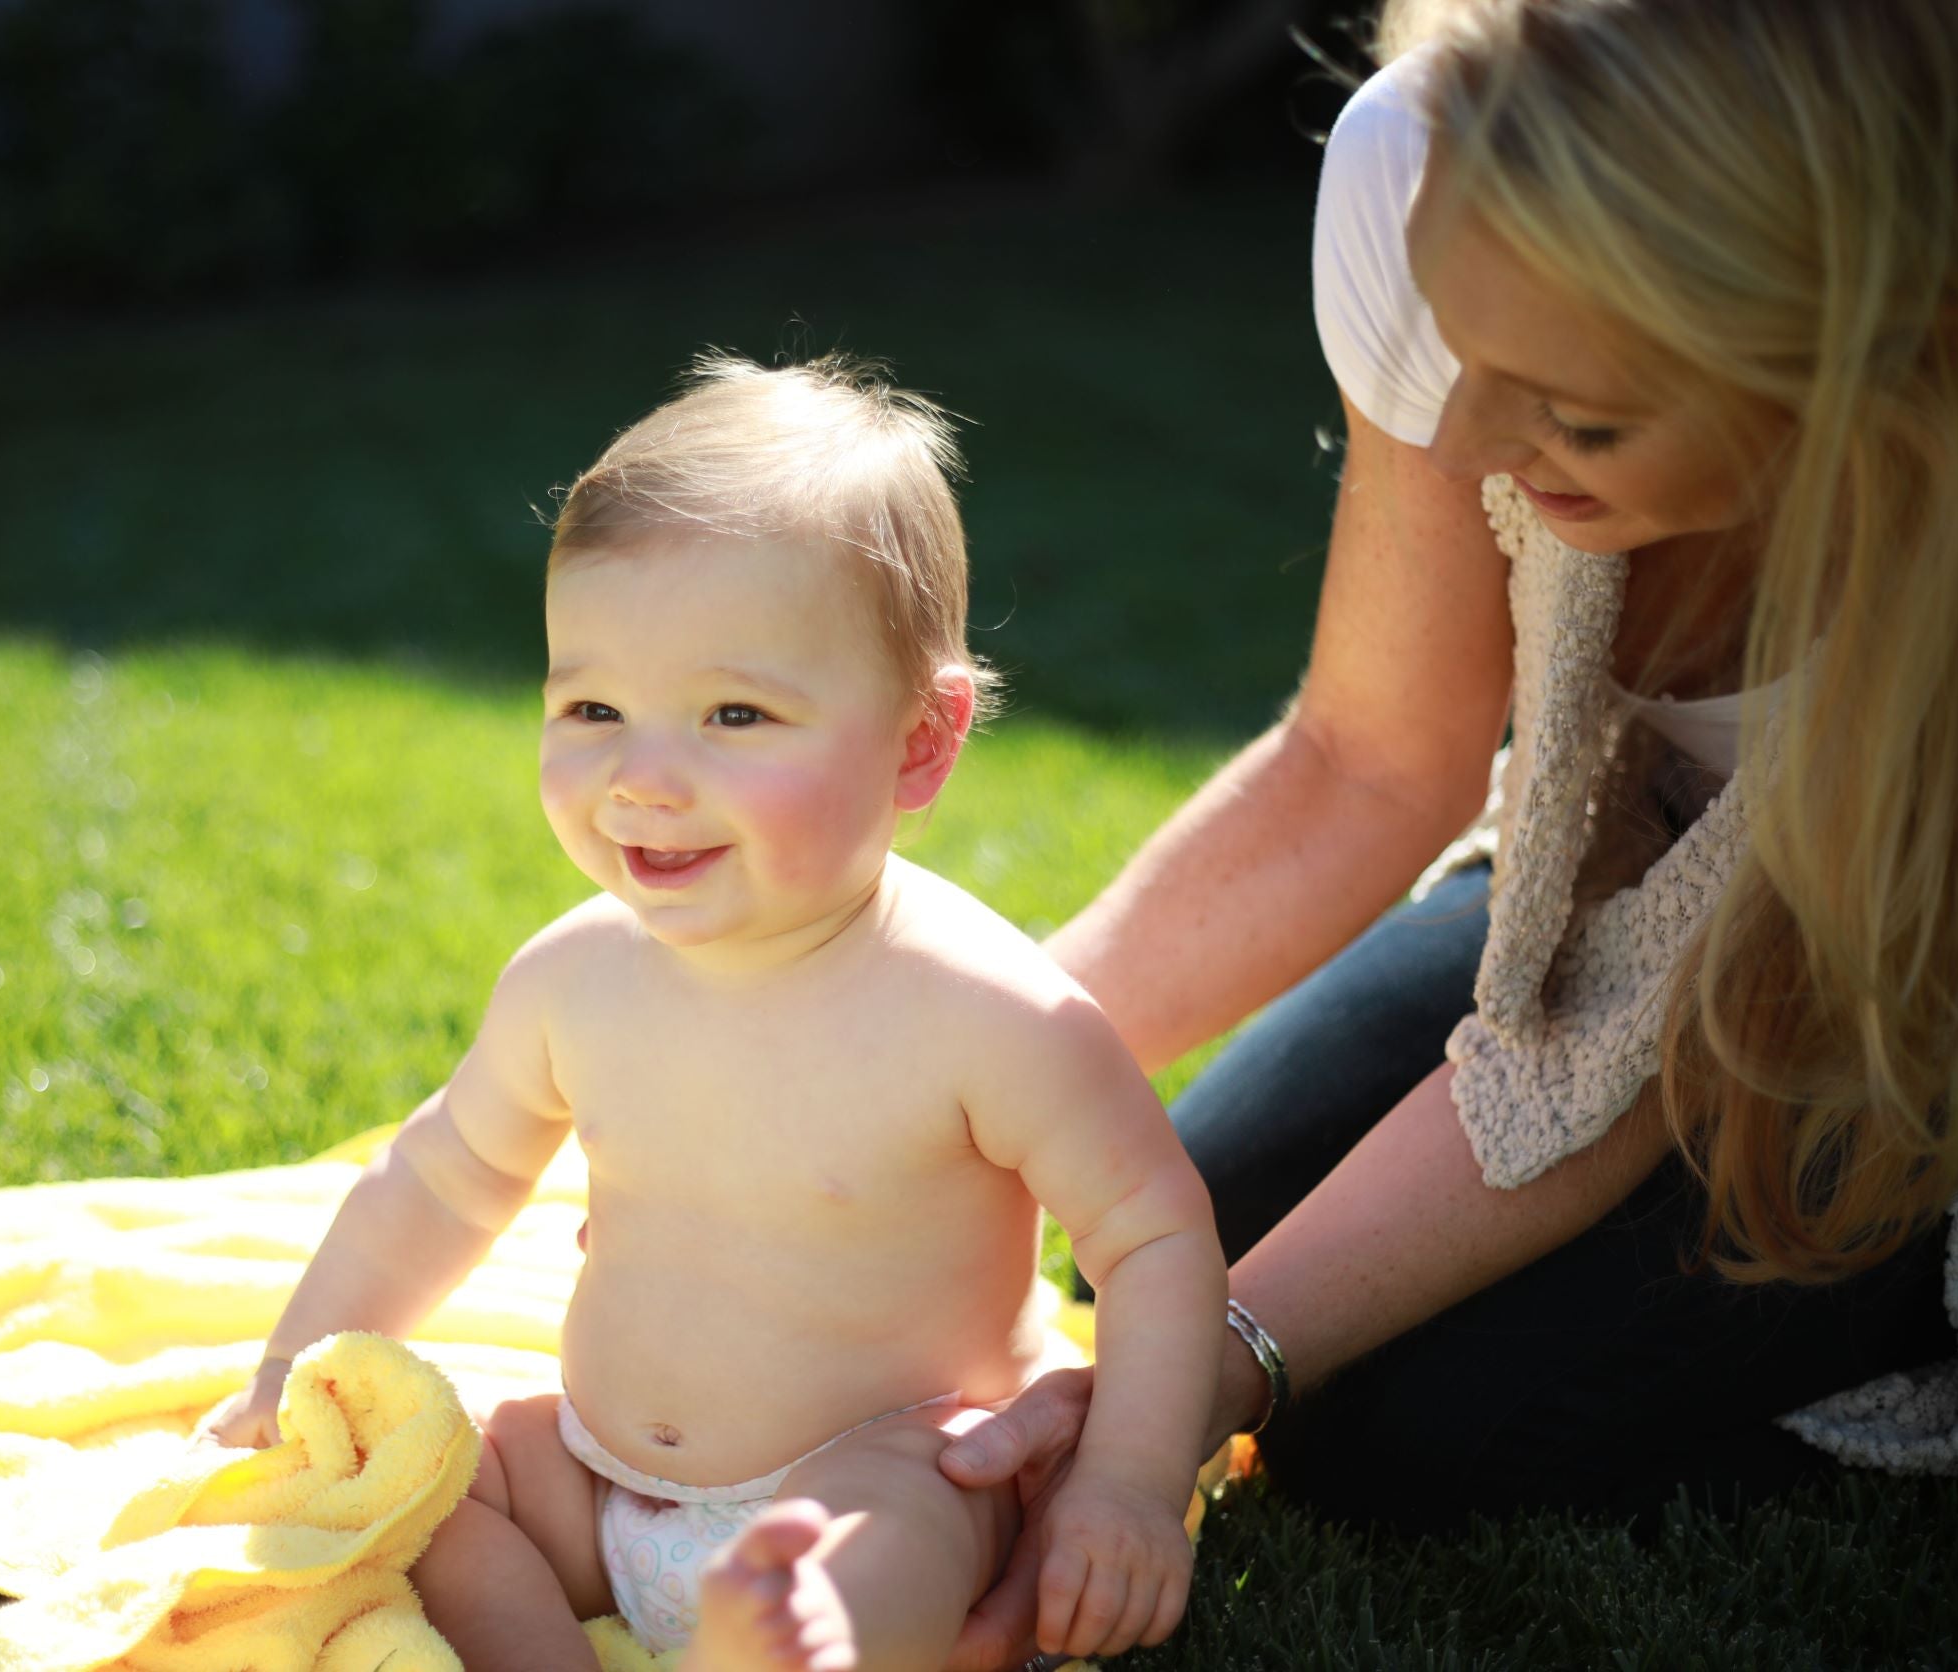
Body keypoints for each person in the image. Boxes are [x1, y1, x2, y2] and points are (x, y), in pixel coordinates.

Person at [937, 0, 1958, 1664]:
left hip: (1897, 1003)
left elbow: (1654, 1063)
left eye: (1579, 413)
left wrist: (1200, 1380)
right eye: (1464, 351)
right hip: (1580, 888)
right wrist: (934, 1069)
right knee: (1190, 1203)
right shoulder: (1440, 166)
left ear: (1849, 355)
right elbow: (1365, 755)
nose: (1470, 443)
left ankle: (1902, 1331)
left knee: (1404, 1437)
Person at [203, 354, 1227, 1670]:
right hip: (599, 1468)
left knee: (894, 1548)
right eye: (593, 708)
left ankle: (786, 1643)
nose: (642, 777)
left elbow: (1153, 1238)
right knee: (442, 1497)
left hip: (891, 1471)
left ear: (921, 740)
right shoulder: (574, 979)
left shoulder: (989, 1015)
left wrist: (1126, 1487)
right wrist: (289, 1370)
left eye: (733, 713)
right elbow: (437, 1183)